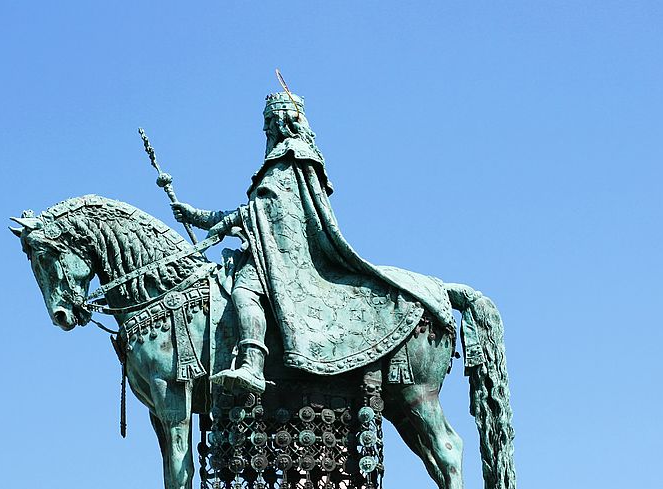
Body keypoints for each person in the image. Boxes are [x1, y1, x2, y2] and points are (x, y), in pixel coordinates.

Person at [172, 92, 454, 394]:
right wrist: (195, 215)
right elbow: (263, 209)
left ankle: (252, 366)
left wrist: (227, 221)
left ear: (282, 121)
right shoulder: (282, 160)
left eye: (269, 121)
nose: (265, 129)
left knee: (243, 292)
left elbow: (276, 209)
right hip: (268, 248)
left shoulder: (292, 154)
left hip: (287, 255)